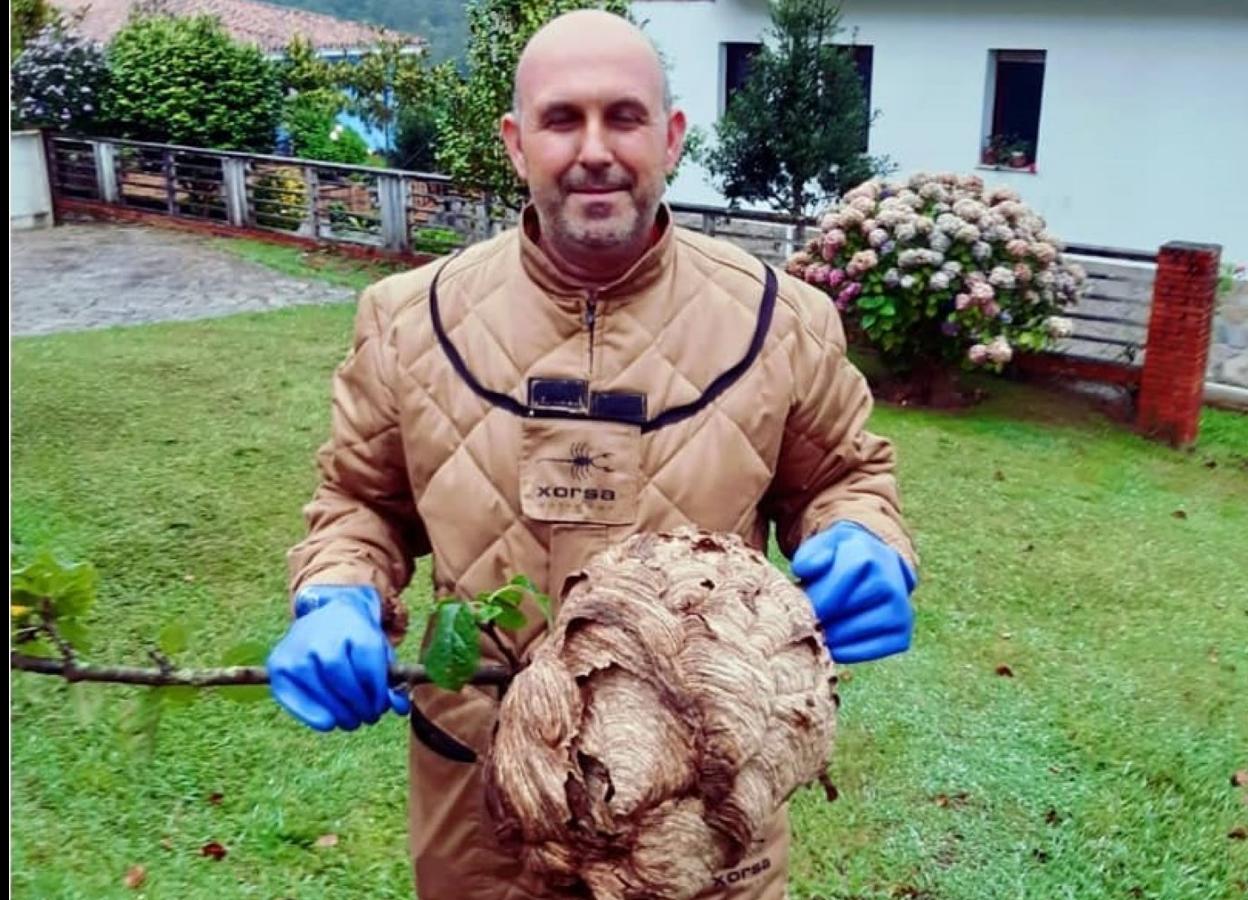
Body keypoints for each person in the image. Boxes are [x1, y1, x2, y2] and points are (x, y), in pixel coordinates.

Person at [266, 10, 917, 899]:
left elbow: (843, 477)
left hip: (706, 813)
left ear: (673, 136)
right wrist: (336, 595)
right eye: (562, 119)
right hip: (479, 808)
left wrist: (866, 538)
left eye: (626, 116)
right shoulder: (406, 321)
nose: (595, 149)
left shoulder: (783, 323)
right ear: (515, 142)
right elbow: (359, 503)